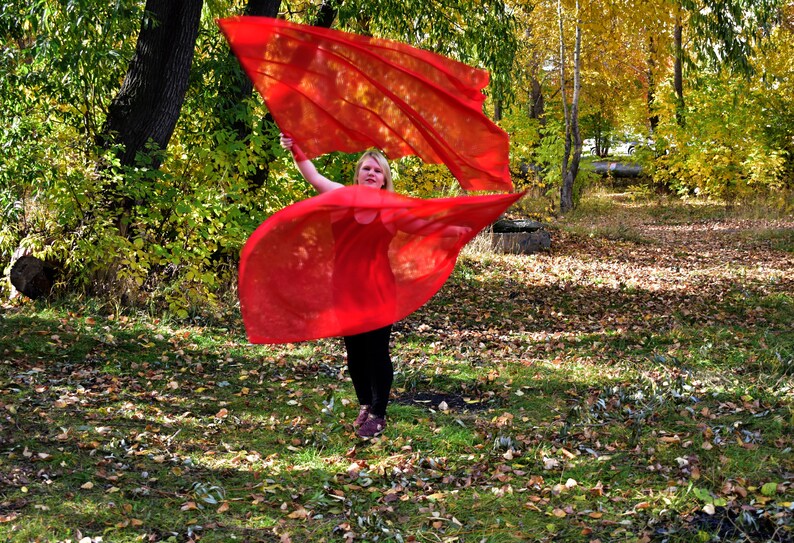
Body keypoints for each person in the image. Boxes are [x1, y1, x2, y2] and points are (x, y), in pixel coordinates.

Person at [280, 134, 396, 438]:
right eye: (367, 169)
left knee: (377, 351)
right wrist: (296, 146)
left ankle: (379, 415)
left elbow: (426, 223)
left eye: (378, 170)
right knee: (356, 353)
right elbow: (314, 176)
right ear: (357, 174)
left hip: (379, 289)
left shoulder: (392, 208)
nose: (371, 173)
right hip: (345, 288)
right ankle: (364, 405)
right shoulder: (343, 196)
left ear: (384, 179)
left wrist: (459, 225)